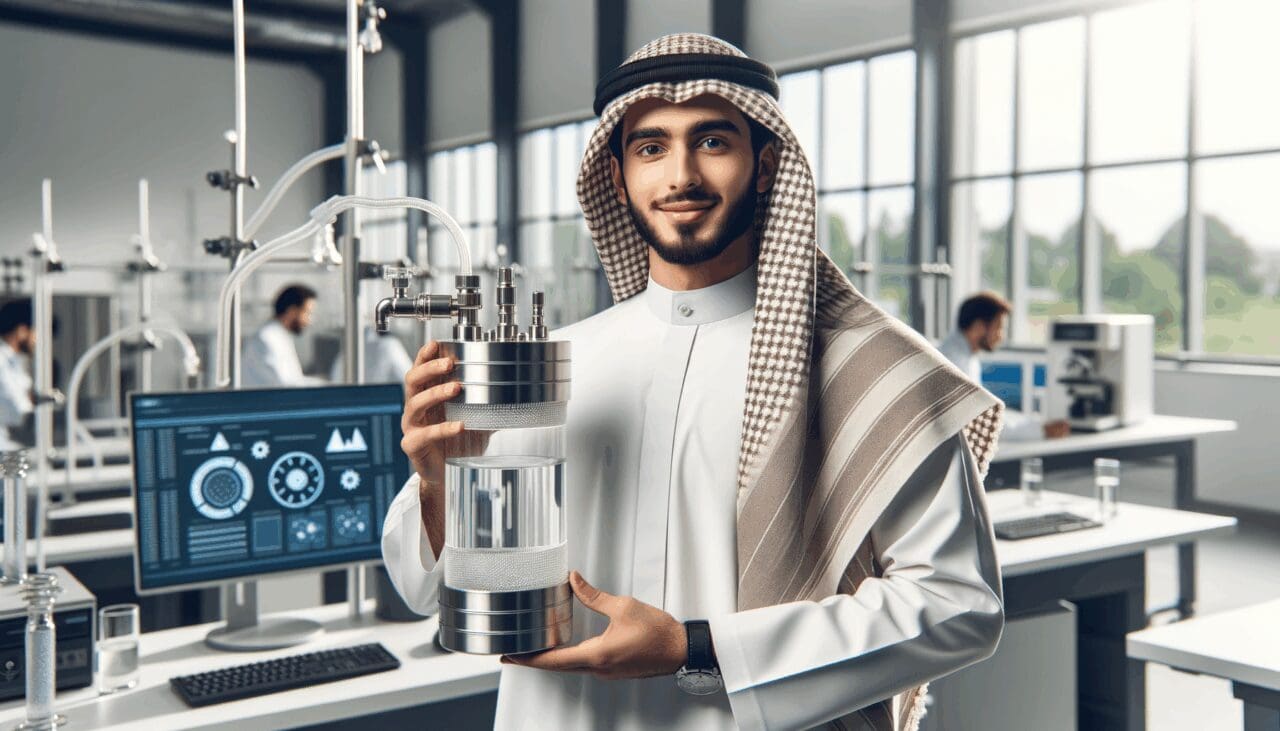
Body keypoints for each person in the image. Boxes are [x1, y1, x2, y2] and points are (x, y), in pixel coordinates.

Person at [383, 34, 1005, 731]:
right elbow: (423, 588)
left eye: (712, 142)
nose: (680, 175)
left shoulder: (867, 373)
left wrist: (697, 650)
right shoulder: (553, 362)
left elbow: (960, 604)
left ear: (766, 166)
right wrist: (439, 485)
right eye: (651, 148)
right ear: (617, 179)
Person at [939, 291, 1071, 441]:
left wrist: (1035, 425)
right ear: (979, 327)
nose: (1001, 336)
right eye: (999, 327)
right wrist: (1040, 431)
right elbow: (982, 424)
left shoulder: (964, 356)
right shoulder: (956, 363)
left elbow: (986, 413)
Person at [241, 284, 324, 388]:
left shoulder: (279, 336)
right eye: (307, 313)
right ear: (292, 311)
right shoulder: (266, 339)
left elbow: (293, 380)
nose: (309, 320)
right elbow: (282, 385)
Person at [0, 300, 35, 449]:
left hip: (8, 441)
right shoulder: (2, 360)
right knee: (20, 470)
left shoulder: (16, 360)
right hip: (4, 445)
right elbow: (19, 409)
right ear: (21, 331)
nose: (36, 340)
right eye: (34, 332)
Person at [328, 328, 414, 385]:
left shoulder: (350, 348)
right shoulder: (389, 345)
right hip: (380, 404)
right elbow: (410, 379)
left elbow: (335, 377)